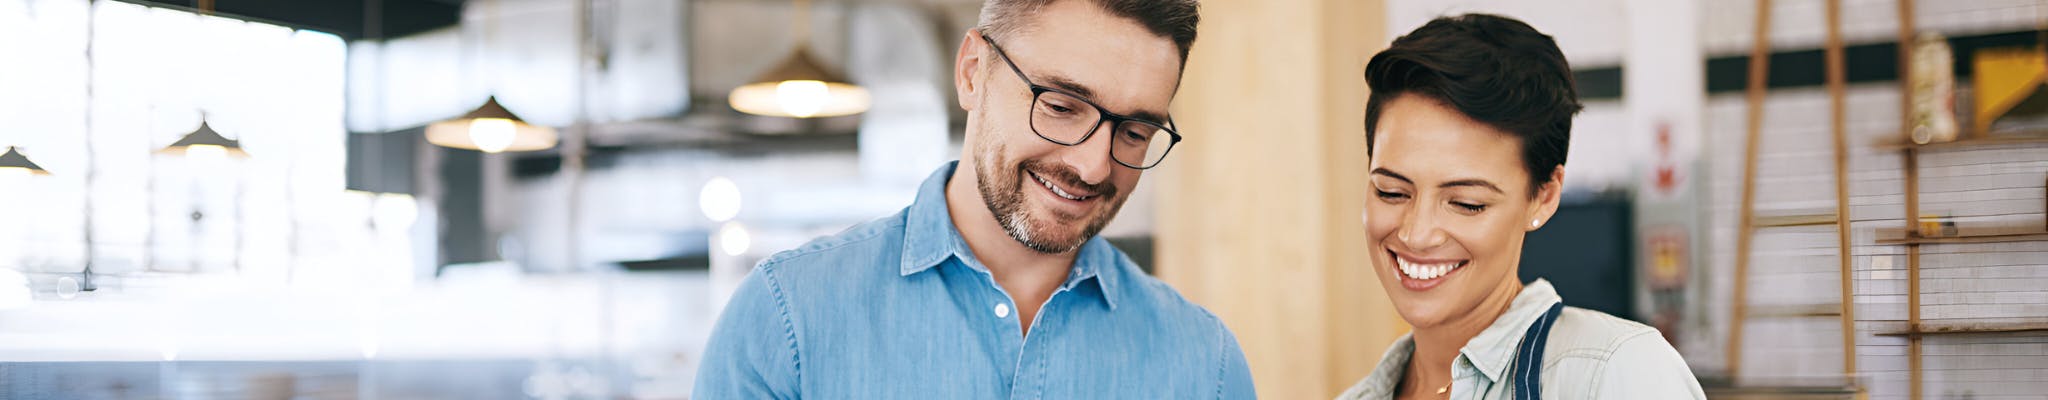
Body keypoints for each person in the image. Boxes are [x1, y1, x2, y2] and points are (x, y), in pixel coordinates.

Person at [694, 0, 1255, 398]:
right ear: (972, 73)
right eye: (1060, 106)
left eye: (1134, 131)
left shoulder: (1206, 366)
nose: (1093, 165)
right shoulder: (788, 317)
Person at [1336, 14, 1706, 400]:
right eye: (1391, 192)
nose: (1416, 233)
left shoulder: (1613, 375)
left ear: (1544, 196)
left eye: (1466, 203)